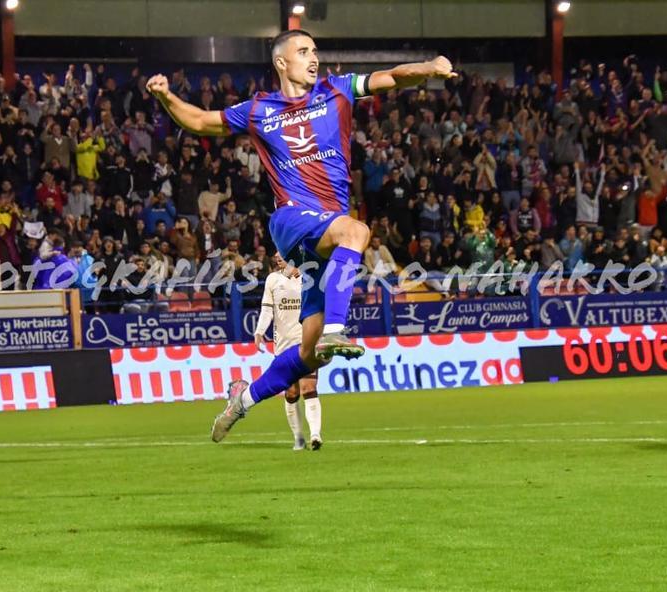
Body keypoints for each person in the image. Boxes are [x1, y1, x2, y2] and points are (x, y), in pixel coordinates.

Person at [146, 29, 456, 442]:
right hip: (292, 220)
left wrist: (430, 68)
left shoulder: (338, 90)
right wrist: (166, 98)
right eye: (304, 51)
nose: (314, 59)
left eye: (315, 51)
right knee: (358, 231)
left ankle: (243, 400)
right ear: (281, 62)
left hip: (326, 233)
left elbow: (393, 77)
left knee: (309, 358)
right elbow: (202, 121)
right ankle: (335, 328)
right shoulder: (259, 109)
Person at [254, 255, 323, 451]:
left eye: (281, 254)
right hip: (283, 346)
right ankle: (299, 438)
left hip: (306, 343)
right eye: (275, 256)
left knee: (309, 388)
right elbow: (267, 310)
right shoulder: (272, 280)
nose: (277, 258)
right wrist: (259, 332)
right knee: (291, 393)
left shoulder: (310, 278)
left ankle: (316, 435)